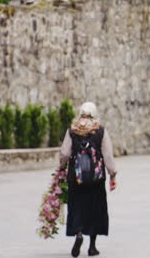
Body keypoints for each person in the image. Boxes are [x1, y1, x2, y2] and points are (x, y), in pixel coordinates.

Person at [58, 102, 117, 257]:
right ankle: (92, 247)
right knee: (95, 210)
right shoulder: (100, 131)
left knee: (77, 207)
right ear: (94, 113)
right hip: (96, 180)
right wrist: (113, 174)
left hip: (75, 179)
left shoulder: (72, 130)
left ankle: (78, 233)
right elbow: (108, 155)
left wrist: (62, 168)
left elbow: (64, 153)